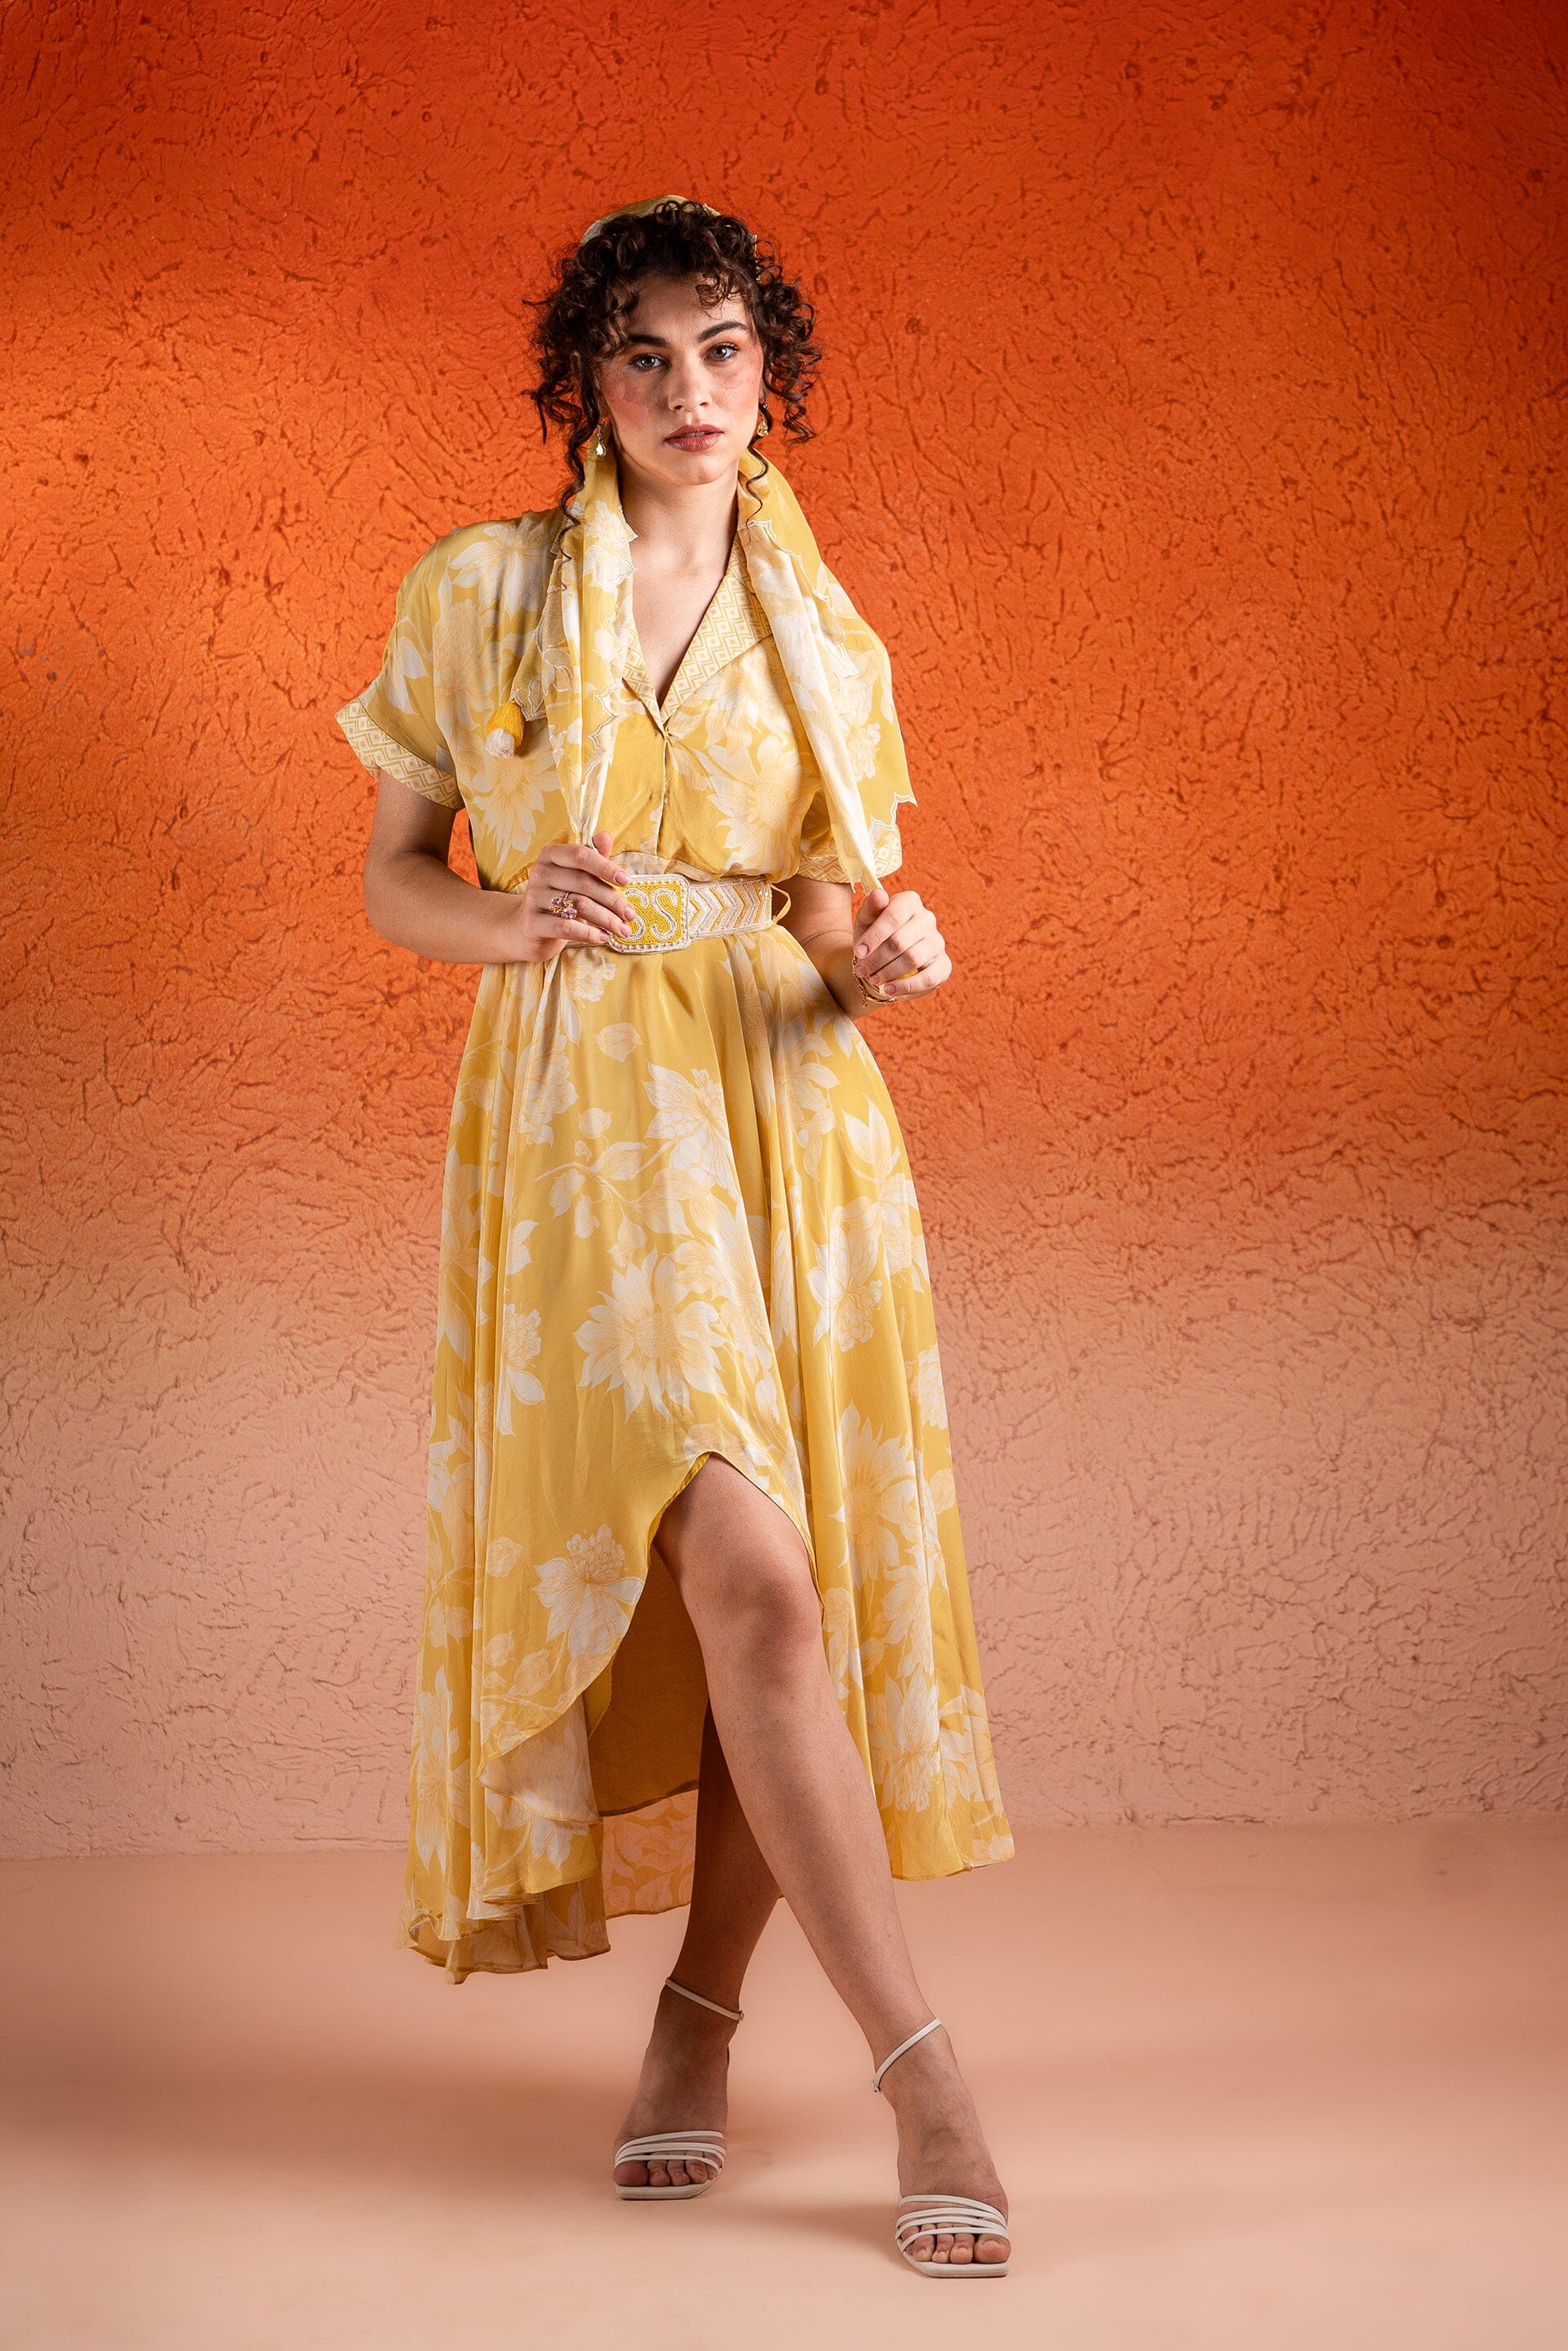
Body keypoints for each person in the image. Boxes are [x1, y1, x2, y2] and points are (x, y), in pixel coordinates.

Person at [339, 196, 1014, 2276]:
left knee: (771, 1605)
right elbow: (394, 870)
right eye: (642, 353)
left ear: (766, 370)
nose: (688, 390)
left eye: (721, 349)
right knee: (738, 1560)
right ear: (588, 382)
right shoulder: (477, 592)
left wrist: (883, 958)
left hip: (788, 1113)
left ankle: (700, 2016)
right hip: (583, 1122)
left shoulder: (828, 635)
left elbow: (826, 913)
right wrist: (505, 916)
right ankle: (926, 2076)